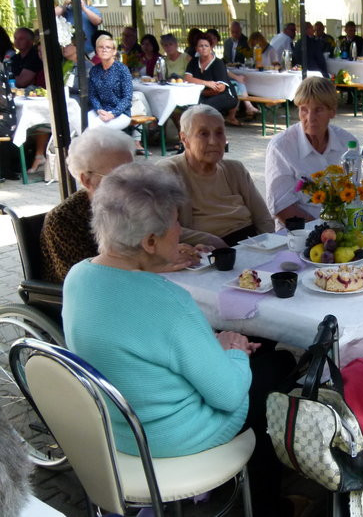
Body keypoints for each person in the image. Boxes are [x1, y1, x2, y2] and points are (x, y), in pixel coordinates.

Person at [62, 162, 295, 514]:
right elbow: (229, 396)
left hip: (113, 429)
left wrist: (216, 348)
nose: (181, 230)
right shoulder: (168, 300)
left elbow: (142, 353)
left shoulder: (78, 277)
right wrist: (233, 352)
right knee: (276, 369)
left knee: (256, 362)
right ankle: (267, 505)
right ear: (150, 242)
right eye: (175, 223)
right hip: (170, 439)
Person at [160, 105, 273, 246]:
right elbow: (161, 227)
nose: (214, 142)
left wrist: (272, 249)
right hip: (205, 253)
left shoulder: (235, 169)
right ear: (185, 139)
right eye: (203, 134)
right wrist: (210, 240)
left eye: (219, 133)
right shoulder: (168, 172)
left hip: (252, 244)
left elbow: (264, 219)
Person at [41, 129, 135, 283]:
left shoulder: (133, 203)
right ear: (86, 180)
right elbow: (85, 280)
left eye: (132, 171)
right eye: (118, 175)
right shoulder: (62, 220)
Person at [264, 76, 357, 224]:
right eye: (304, 110)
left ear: (332, 111)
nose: (310, 117)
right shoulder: (281, 147)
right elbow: (282, 206)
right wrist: (323, 230)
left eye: (318, 110)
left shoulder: (347, 142)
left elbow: (356, 192)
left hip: (343, 228)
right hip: (298, 233)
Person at [184, 33, 238, 122]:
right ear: (196, 49)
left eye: (206, 45)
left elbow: (220, 88)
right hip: (203, 94)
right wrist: (207, 83)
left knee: (203, 106)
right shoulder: (193, 62)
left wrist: (203, 92)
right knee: (188, 104)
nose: (204, 48)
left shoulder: (218, 63)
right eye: (201, 46)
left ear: (210, 48)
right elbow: (187, 78)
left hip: (225, 95)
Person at [88, 34, 132, 130]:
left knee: (95, 126)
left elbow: (127, 97)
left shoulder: (122, 69)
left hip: (120, 113)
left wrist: (113, 114)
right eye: (101, 47)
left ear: (114, 51)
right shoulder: (94, 70)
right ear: (96, 50)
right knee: (83, 122)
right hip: (101, 111)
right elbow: (93, 95)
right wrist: (99, 110)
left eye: (108, 47)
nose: (104, 49)